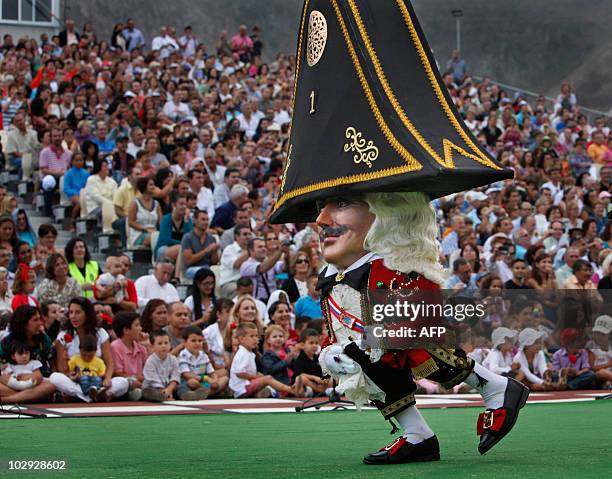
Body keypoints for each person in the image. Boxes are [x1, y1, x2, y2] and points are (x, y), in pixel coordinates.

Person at [50, 297, 129, 402]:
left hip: (98, 379)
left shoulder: (100, 333)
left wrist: (107, 378)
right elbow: (62, 369)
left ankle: (95, 393)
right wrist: (69, 375)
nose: (73, 316)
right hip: (76, 381)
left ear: (87, 314)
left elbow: (109, 363)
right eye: (71, 312)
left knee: (123, 382)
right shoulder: (63, 335)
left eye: (78, 312)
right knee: (55, 377)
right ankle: (91, 396)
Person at [229, 323, 302, 398]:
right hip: (241, 388)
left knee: (266, 383)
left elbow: (246, 371)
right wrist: (256, 377)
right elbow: (239, 373)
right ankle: (291, 390)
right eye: (251, 336)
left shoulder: (248, 352)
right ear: (241, 339)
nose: (255, 339)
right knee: (268, 378)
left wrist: (257, 375)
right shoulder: (242, 353)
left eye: (256, 336)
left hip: (245, 386)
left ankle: (262, 394)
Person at [0, 306, 56, 402]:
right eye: (35, 320)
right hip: (11, 382)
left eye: (40, 319)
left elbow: (52, 366)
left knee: (50, 386)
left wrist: (32, 377)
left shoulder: (44, 339)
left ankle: (7, 400)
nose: (40, 323)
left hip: (37, 383)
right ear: (24, 323)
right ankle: (29, 397)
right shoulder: (7, 341)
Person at [178, 325, 228, 399]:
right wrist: (205, 378)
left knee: (225, 379)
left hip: (203, 383)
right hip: (191, 382)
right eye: (193, 341)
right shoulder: (183, 355)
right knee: (192, 382)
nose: (197, 343)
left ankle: (204, 394)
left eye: (200, 341)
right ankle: (208, 393)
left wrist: (215, 381)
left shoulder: (203, 355)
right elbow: (186, 375)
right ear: (184, 342)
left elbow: (212, 372)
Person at [111, 311, 150, 401]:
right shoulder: (115, 346)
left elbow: (150, 367)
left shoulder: (141, 347)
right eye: (137, 325)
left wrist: (147, 345)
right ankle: (135, 394)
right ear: (126, 330)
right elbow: (118, 373)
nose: (140, 328)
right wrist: (137, 378)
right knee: (124, 383)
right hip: (127, 381)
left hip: (141, 382)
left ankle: (143, 393)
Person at [142, 331, 181, 402]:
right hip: (154, 387)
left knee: (181, 387)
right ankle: (161, 396)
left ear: (170, 345)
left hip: (169, 386)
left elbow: (175, 376)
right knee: (149, 391)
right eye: (159, 343)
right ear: (152, 346)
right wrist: (165, 392)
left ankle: (186, 395)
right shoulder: (150, 361)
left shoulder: (173, 359)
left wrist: (169, 389)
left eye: (166, 343)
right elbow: (153, 380)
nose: (163, 346)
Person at [82, 159, 118, 234]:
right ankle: (102, 232)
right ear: (99, 168)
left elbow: (115, 196)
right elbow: (96, 196)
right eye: (104, 166)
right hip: (94, 207)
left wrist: (113, 205)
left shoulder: (112, 182)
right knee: (103, 212)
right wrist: (109, 205)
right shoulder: (91, 180)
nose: (107, 168)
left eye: (107, 166)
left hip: (110, 206)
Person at [291, 328, 331, 396]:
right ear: (302, 345)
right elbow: (299, 374)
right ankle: (322, 392)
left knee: (333, 377)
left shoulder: (318, 358)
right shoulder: (300, 358)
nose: (314, 345)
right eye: (311, 343)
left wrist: (324, 379)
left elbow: (322, 372)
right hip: (308, 384)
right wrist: (314, 378)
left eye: (316, 343)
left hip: (318, 384)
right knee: (302, 379)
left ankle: (324, 390)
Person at [181, 209, 219, 279]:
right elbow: (188, 261)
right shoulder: (187, 237)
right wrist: (206, 251)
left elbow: (214, 262)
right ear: (195, 221)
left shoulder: (212, 239)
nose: (206, 222)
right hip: (191, 269)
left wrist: (214, 252)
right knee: (206, 271)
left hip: (208, 268)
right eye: (203, 220)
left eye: (207, 220)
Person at [68, 334, 106, 400]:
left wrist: (101, 376)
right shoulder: (75, 359)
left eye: (90, 356)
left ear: (95, 352)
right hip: (81, 380)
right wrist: (73, 375)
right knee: (84, 378)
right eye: (83, 355)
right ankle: (89, 392)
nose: (87, 358)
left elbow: (102, 373)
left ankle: (96, 391)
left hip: (94, 379)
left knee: (97, 379)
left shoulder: (99, 361)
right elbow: (68, 371)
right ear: (80, 350)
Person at [156, 192, 192, 261]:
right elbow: (166, 240)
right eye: (181, 204)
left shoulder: (187, 220)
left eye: (185, 204)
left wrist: (187, 222)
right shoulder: (166, 219)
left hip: (183, 249)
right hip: (164, 249)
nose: (184, 207)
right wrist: (184, 244)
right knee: (180, 249)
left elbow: (190, 238)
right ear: (174, 205)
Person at [127, 176, 161, 250]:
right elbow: (130, 222)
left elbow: (161, 222)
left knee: (160, 236)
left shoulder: (156, 204)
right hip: (139, 234)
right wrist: (145, 229)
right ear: (144, 187)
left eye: (154, 185)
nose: (153, 187)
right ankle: (156, 259)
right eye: (151, 185)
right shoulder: (135, 203)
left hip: (154, 232)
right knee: (156, 237)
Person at [63, 151, 89, 231]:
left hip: (84, 194)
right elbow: (66, 189)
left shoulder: (86, 173)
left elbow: (88, 186)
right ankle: (72, 221)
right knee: (80, 202)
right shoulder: (68, 174)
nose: (79, 162)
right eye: (76, 160)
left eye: (80, 160)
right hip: (73, 194)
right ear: (72, 161)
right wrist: (77, 193)